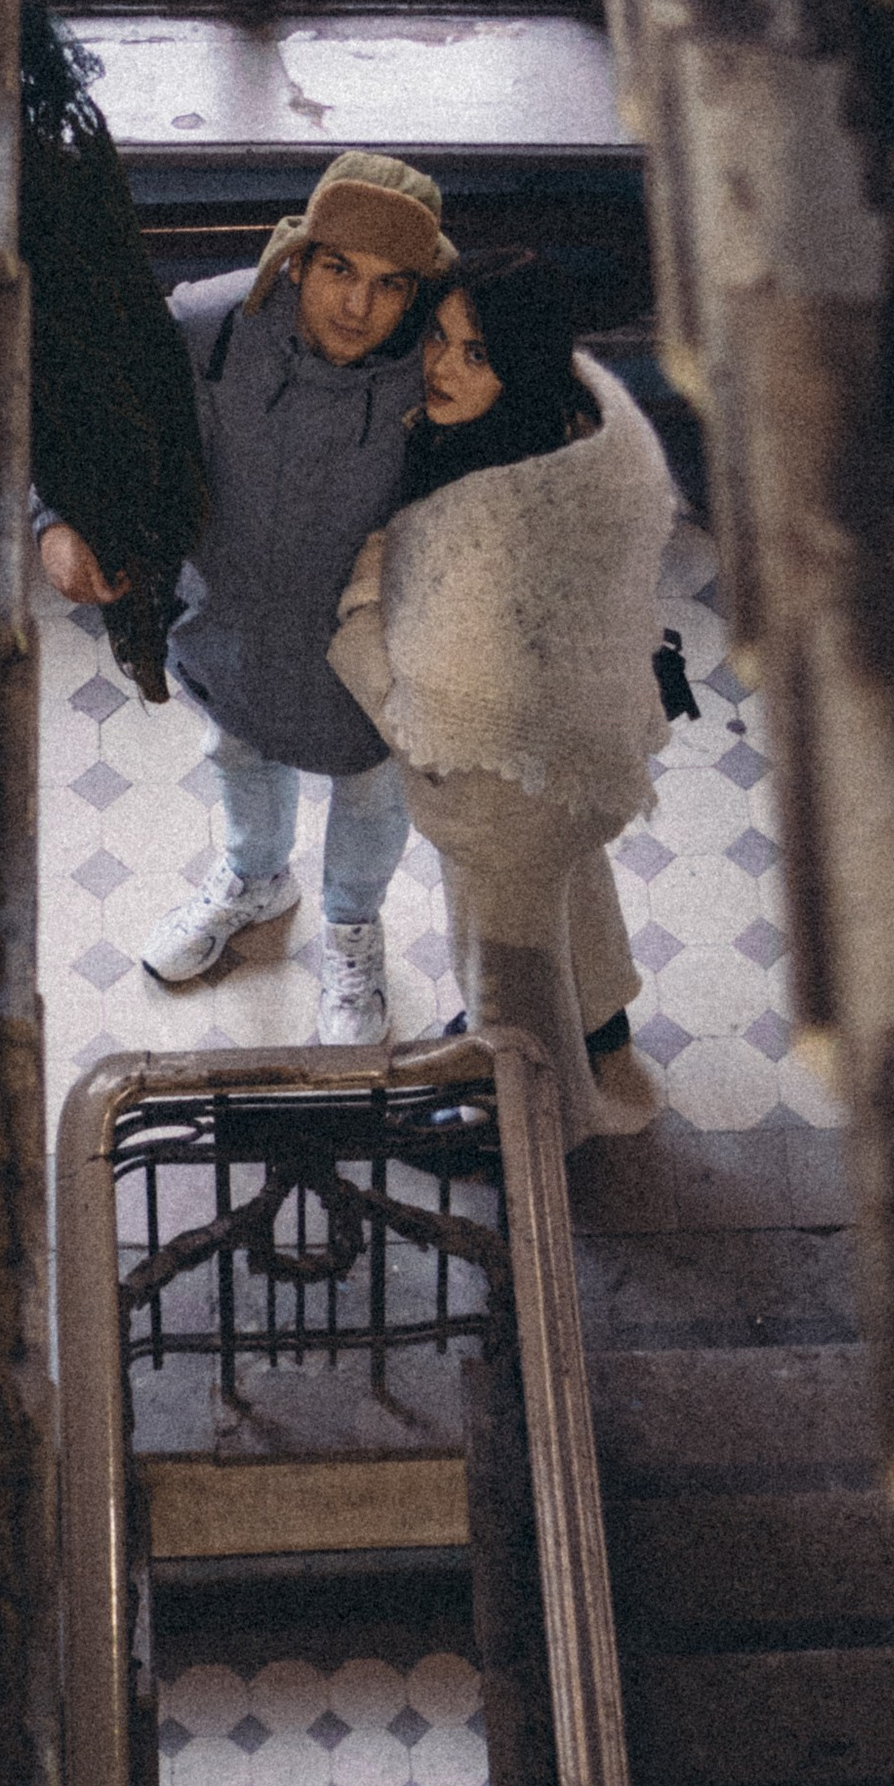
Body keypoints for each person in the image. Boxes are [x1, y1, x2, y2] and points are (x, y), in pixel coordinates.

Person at [35, 149, 454, 1047]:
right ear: (298, 257)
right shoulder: (209, 327)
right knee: (239, 758)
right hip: (227, 628)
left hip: (370, 660)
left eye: (390, 286)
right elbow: (88, 421)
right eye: (339, 269)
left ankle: (351, 925)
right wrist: (56, 521)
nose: (356, 306)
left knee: (372, 798)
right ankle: (255, 877)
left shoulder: (438, 368)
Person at [328, 248, 673, 1143]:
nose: (441, 366)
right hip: (581, 759)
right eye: (440, 337)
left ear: (515, 364)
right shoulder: (577, 429)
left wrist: (362, 597)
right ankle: (601, 1018)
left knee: (505, 963)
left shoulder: (487, 527)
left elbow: (421, 700)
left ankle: (530, 1116)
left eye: (475, 355)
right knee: (578, 888)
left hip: (499, 799)